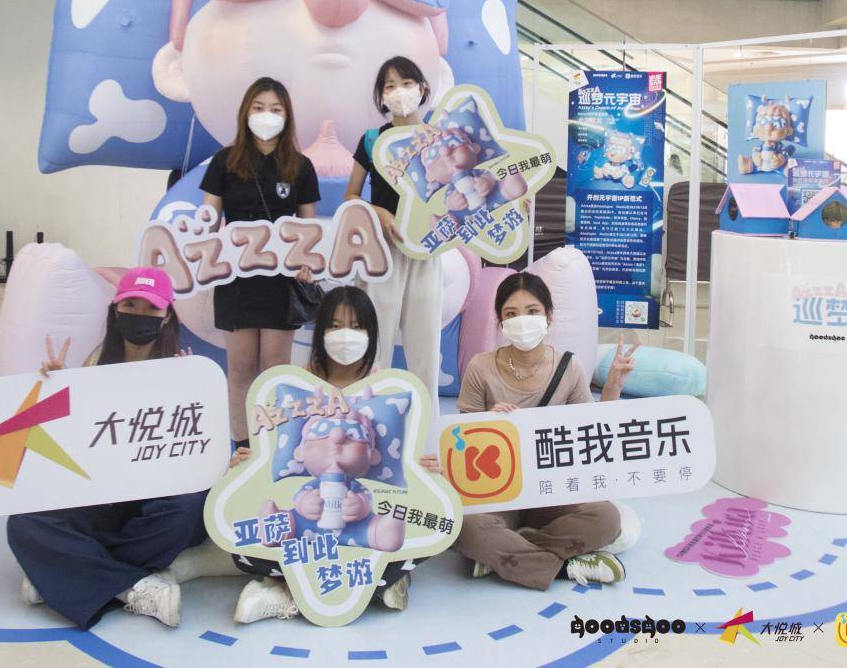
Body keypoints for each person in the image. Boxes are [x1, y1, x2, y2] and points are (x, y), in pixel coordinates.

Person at [9, 267, 217, 629]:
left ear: (167, 315)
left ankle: (62, 573)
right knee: (23, 523)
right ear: (115, 309)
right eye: (130, 305)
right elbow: (75, 446)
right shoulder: (94, 365)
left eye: (150, 308)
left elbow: (198, 456)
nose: (139, 315)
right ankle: (130, 586)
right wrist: (58, 393)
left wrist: (187, 395)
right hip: (103, 495)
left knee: (189, 510)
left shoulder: (185, 369)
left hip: (157, 499)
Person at [228, 286, 442, 622]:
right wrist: (248, 462)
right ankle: (375, 584)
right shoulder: (296, 387)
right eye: (335, 325)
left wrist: (424, 468)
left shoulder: (387, 390)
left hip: (359, 525)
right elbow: (270, 451)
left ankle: (291, 588)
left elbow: (402, 463)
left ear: (371, 334)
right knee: (244, 551)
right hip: (307, 527)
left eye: (356, 327)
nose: (346, 336)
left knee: (416, 539)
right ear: (320, 332)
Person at [454, 272, 638, 590]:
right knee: (465, 526)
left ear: (548, 316)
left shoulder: (569, 368)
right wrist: (486, 423)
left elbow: (591, 433)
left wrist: (612, 388)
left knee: (607, 519)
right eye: (511, 313)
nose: (522, 321)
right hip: (498, 492)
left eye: (532, 311)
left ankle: (508, 552)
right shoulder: (480, 367)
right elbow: (460, 443)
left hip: (552, 489)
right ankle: (566, 567)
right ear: (500, 321)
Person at [200, 77, 321, 446]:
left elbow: (308, 228)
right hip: (235, 280)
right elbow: (208, 221)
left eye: (275, 109)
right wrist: (204, 253)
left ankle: (276, 446)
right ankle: (241, 446)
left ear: (287, 116)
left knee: (275, 369)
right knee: (240, 370)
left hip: (281, 283)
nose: (266, 115)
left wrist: (305, 263)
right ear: (245, 112)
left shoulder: (300, 166)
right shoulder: (224, 161)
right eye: (259, 107)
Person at [345, 57, 443, 414]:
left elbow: (470, 191)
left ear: (422, 88)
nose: (399, 91)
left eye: (406, 83)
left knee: (425, 347)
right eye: (389, 86)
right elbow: (351, 197)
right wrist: (378, 212)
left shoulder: (440, 138)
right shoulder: (372, 140)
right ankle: (365, 421)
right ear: (381, 96)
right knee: (375, 343)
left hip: (426, 250)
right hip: (381, 252)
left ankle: (428, 429)